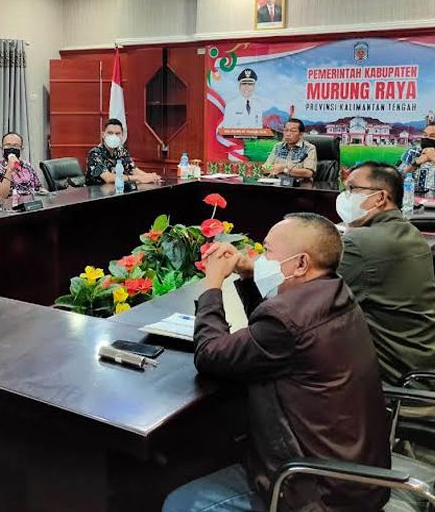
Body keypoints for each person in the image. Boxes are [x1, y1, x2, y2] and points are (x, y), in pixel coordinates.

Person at [163, 213, 391, 512]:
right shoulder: (333, 292)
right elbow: (271, 337)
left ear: (301, 264)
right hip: (358, 475)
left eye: (268, 252)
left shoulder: (287, 321)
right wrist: (250, 274)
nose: (262, 259)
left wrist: (212, 286)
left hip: (318, 490)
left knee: (178, 504)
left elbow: (210, 354)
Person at [336, 162, 435, 387]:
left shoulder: (359, 243)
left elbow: (312, 300)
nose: (345, 196)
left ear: (380, 198)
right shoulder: (410, 231)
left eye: (352, 189)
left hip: (406, 383)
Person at [85, 119, 160, 185]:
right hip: (98, 193)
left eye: (117, 133)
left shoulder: (122, 152)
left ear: (122, 136)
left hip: (118, 191)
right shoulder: (94, 154)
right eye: (110, 133)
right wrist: (138, 178)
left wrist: (150, 177)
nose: (114, 136)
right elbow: (108, 178)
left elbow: (133, 169)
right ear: (103, 135)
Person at [0, 132, 43, 201]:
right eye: (7, 145)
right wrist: (9, 170)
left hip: (31, 203)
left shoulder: (27, 165)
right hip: (11, 205)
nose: (11, 149)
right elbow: (0, 197)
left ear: (21, 149)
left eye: (16, 146)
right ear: (2, 148)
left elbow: (39, 187)